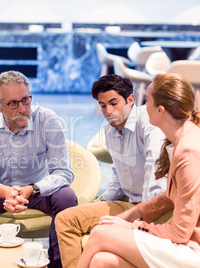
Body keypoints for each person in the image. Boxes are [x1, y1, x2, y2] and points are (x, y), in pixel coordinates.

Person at [77, 73, 200, 268]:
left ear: (160, 110)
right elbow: (169, 196)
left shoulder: (188, 150)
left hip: (192, 249)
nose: (142, 105)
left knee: (100, 234)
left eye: (147, 100)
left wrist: (134, 226)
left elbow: (181, 233)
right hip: (183, 241)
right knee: (101, 261)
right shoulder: (180, 139)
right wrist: (131, 213)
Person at [0, 70, 77, 268]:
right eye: (13, 103)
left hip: (38, 193)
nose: (22, 108)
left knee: (67, 196)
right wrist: (3, 191)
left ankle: (57, 264)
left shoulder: (47, 119)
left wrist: (33, 189)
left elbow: (63, 172)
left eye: (26, 100)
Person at [55, 74, 167, 268]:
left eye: (113, 103)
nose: (108, 111)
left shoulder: (148, 126)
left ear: (130, 99)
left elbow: (156, 174)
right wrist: (103, 201)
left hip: (155, 208)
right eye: (103, 105)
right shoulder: (109, 131)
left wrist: (141, 219)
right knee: (66, 219)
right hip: (128, 204)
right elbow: (118, 172)